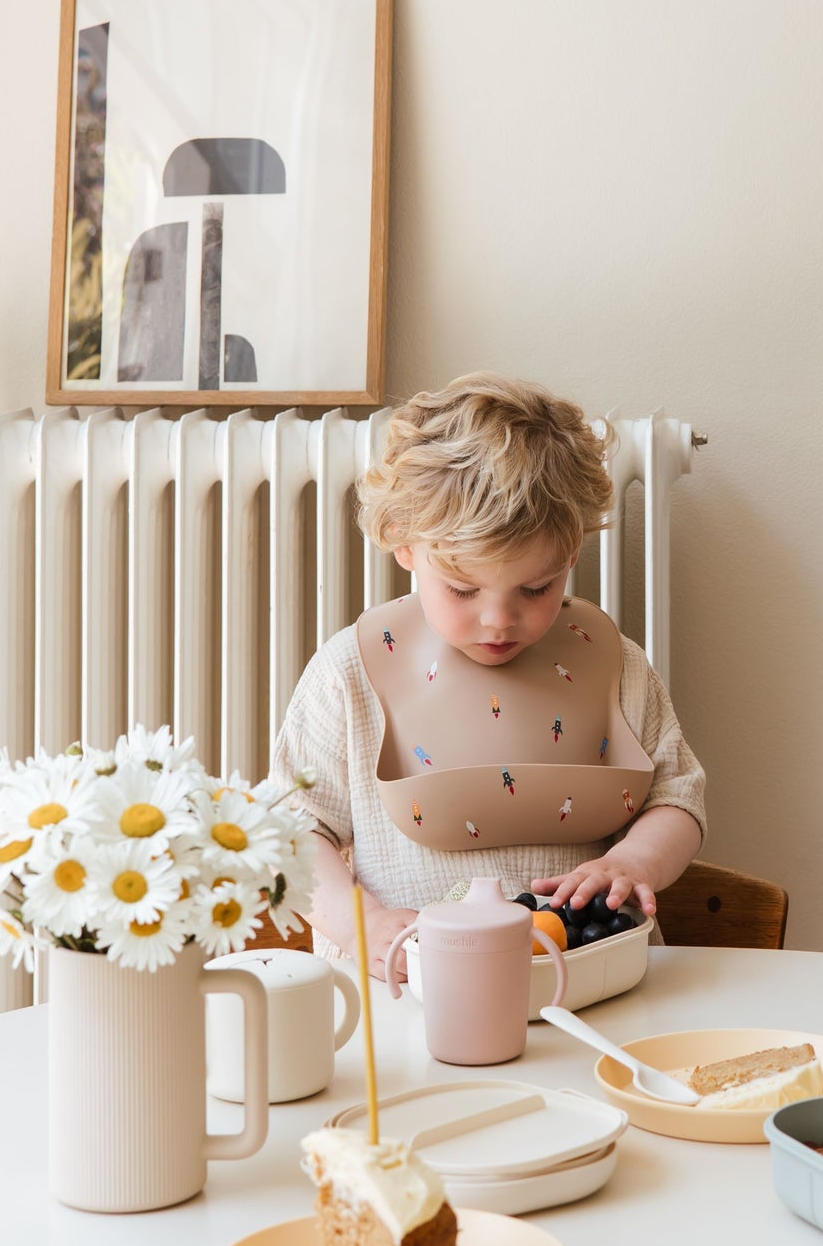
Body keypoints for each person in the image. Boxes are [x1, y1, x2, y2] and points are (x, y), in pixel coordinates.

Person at [271, 373, 705, 979]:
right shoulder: (349, 675)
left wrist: (637, 861)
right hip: (410, 992)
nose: (499, 620)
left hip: (591, 982)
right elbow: (290, 830)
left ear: (571, 554)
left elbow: (677, 797)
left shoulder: (616, 665)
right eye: (462, 589)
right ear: (404, 544)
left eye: (536, 588)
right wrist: (358, 923)